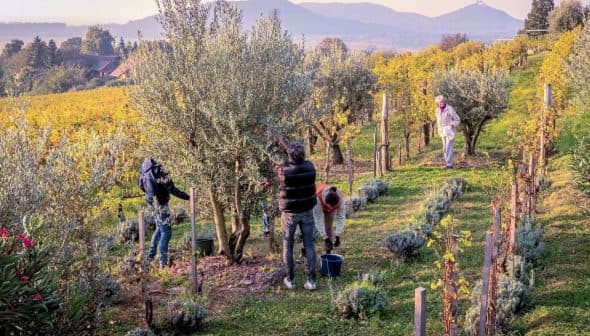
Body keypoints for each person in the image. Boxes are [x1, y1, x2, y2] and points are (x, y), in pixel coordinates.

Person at [273, 138, 318, 291]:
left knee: (288, 246)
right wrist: (285, 145)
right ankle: (311, 281)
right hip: (307, 211)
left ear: (289, 155)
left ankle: (290, 280)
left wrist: (279, 144)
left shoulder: (283, 171)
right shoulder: (310, 167)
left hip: (290, 214)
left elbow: (272, 163)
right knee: (310, 245)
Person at [139, 157, 189, 268]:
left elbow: (141, 185)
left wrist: (150, 194)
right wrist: (187, 197)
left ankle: (150, 256)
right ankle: (163, 263)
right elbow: (172, 189)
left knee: (159, 228)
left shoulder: (145, 168)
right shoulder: (161, 169)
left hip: (151, 203)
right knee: (166, 232)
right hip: (161, 203)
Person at [313, 184, 345, 254]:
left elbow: (341, 217)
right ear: (326, 202)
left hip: (328, 203)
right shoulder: (317, 198)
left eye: (334, 207)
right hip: (317, 205)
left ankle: (328, 251)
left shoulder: (340, 199)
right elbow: (318, 220)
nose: (331, 209)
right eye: (330, 206)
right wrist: (325, 238)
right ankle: (305, 249)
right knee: (313, 227)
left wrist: (337, 235)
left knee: (328, 227)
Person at [435, 95, 461, 169]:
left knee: (448, 147)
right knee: (444, 147)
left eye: (442, 101)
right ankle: (448, 163)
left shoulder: (450, 109)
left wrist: (452, 125)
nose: (441, 103)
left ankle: (449, 164)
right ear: (437, 103)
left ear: (444, 101)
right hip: (442, 131)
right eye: (439, 102)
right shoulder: (437, 110)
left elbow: (457, 119)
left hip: (449, 131)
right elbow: (438, 121)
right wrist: (439, 128)